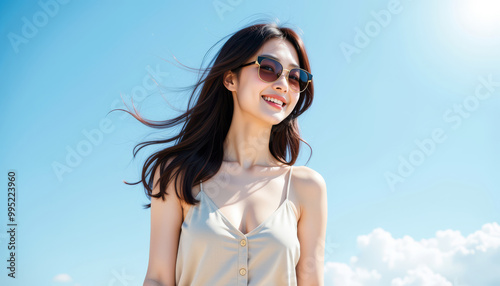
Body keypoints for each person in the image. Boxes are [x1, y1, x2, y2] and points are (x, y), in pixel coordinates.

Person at [120, 20, 327, 286]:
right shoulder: (176, 174)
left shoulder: (307, 187)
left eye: (295, 77)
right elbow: (158, 279)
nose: (283, 84)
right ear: (230, 78)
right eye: (268, 69)